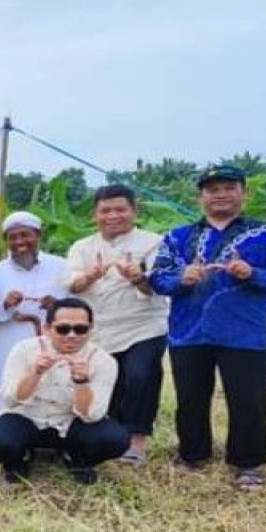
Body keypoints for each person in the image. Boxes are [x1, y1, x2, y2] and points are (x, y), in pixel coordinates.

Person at [149, 165, 266, 491]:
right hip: (188, 331)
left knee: (248, 399)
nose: (220, 195)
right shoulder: (177, 236)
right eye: (212, 189)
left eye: (228, 187)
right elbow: (157, 280)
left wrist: (253, 274)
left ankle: (248, 463)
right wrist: (181, 278)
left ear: (243, 192)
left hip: (244, 332)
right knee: (190, 397)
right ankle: (192, 454)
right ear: (200, 196)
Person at [65, 185, 170, 463]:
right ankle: (108, 437)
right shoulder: (82, 247)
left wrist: (137, 278)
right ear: (95, 215)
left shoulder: (154, 243)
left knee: (139, 376)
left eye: (120, 209)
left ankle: (136, 440)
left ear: (134, 211)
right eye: (105, 210)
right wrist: (90, 276)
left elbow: (158, 287)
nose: (113, 215)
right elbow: (72, 286)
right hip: (99, 329)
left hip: (143, 326)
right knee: (106, 380)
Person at [0, 297, 128, 485]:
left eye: (81, 329)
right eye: (63, 329)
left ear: (90, 330)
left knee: (116, 440)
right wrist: (35, 372)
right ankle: (18, 462)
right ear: (47, 328)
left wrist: (81, 383)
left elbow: (92, 415)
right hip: (27, 417)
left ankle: (78, 460)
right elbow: (10, 400)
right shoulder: (24, 349)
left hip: (71, 422)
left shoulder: (103, 360)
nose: (72, 335)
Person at [0, 211, 68, 418]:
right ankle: (9, 441)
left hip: (52, 346)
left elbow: (78, 307)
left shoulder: (61, 266)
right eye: (12, 237)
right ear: (6, 241)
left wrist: (57, 306)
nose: (20, 242)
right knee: (9, 392)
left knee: (53, 393)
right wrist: (5, 305)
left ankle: (52, 443)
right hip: (9, 344)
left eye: (25, 235)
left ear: (38, 235)